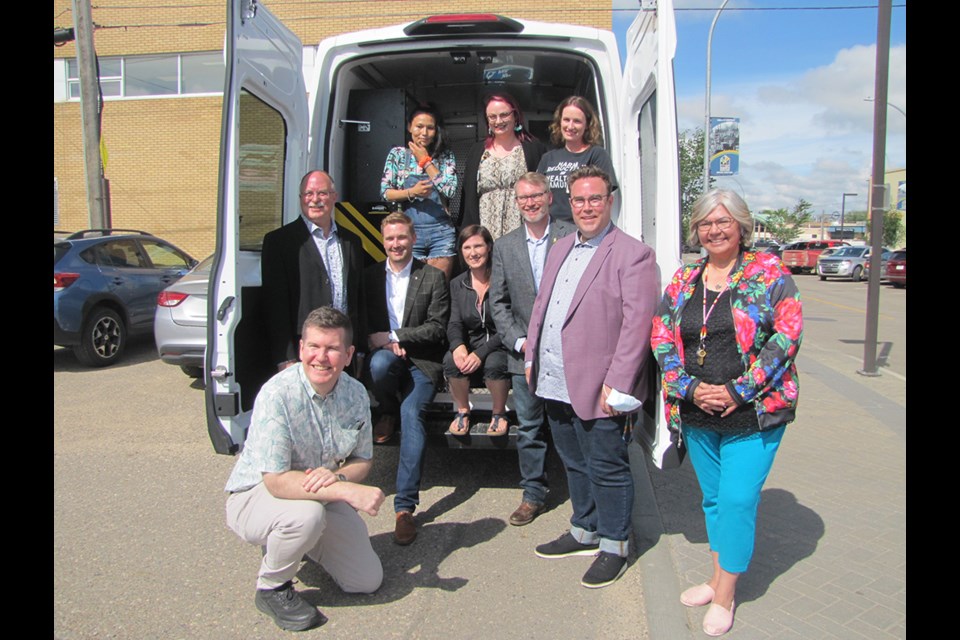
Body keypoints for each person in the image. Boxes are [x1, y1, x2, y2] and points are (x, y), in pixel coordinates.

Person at [650, 189, 802, 636]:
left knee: (737, 501)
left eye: (723, 222)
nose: (714, 230)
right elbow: (660, 336)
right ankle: (718, 578)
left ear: (741, 226)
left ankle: (726, 595)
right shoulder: (683, 279)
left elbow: (787, 338)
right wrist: (693, 389)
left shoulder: (769, 273)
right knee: (713, 500)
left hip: (752, 412)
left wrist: (737, 390)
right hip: (697, 411)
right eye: (705, 223)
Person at [524, 165, 659, 588]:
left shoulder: (633, 254)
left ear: (610, 201)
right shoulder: (562, 247)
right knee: (574, 464)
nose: (586, 207)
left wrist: (619, 381)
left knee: (607, 466)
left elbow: (639, 325)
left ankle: (615, 544)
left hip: (601, 385)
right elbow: (543, 304)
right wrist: (531, 355)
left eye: (595, 198)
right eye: (579, 200)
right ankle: (585, 529)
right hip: (554, 380)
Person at [224, 307, 385, 632]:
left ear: (349, 354)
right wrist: (344, 489)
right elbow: (277, 482)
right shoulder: (277, 394)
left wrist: (339, 477)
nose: (321, 357)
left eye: (332, 348)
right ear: (301, 349)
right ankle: (272, 586)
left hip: (319, 494)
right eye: (313, 346)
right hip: (256, 495)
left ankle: (298, 541)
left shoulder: (356, 395)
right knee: (305, 517)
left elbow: (362, 461)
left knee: (366, 580)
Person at [489, 172, 574, 526]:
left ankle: (581, 490)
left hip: (567, 350)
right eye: (524, 198)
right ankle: (533, 494)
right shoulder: (505, 245)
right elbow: (498, 302)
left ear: (549, 197)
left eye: (536, 195)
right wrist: (520, 342)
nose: (530, 202)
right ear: (517, 201)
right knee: (529, 427)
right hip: (523, 353)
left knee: (570, 425)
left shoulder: (571, 235)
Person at [363, 212, 450, 545]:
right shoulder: (369, 277)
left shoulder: (432, 276)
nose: (396, 244)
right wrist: (385, 343)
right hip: (385, 358)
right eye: (390, 238)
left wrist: (397, 336)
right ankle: (386, 409)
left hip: (421, 363)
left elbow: (437, 329)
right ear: (383, 241)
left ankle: (404, 509)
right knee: (380, 366)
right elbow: (366, 327)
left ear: (413, 239)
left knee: (412, 416)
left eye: (402, 237)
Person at [261, 170, 366, 369]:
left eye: (322, 193)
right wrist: (286, 357)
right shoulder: (279, 242)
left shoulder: (352, 241)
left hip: (343, 351)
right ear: (301, 198)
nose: (315, 200)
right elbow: (276, 306)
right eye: (308, 194)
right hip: (305, 353)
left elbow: (358, 299)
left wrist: (358, 349)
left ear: (334, 197)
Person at [443, 225, 511, 437]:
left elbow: (510, 325)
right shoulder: (457, 283)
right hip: (472, 345)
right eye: (467, 247)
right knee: (451, 360)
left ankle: (499, 413)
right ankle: (463, 410)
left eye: (478, 246)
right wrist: (458, 347)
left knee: (494, 363)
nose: (473, 253)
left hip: (501, 345)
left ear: (489, 247)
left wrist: (480, 353)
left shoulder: (504, 280)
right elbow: (454, 322)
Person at [380, 104, 459, 280]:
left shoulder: (445, 156)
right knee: (411, 291)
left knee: (439, 290)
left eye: (430, 128)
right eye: (419, 126)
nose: (424, 133)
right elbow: (385, 192)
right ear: (409, 127)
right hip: (408, 232)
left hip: (441, 233)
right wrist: (412, 192)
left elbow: (450, 190)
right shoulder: (398, 155)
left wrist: (426, 161)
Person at [460, 93, 547, 240]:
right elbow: (468, 197)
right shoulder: (477, 151)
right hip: (486, 232)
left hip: (523, 230)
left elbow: (543, 190)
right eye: (492, 117)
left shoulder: (533, 148)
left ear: (515, 116)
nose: (498, 121)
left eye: (504, 115)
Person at [536, 96, 617, 223]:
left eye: (577, 121)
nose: (570, 126)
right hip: (552, 228)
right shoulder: (548, 158)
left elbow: (603, 197)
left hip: (582, 228)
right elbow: (537, 195)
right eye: (566, 120)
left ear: (587, 125)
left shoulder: (596, 154)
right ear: (559, 122)